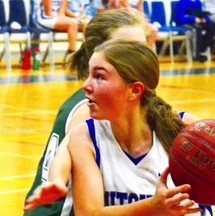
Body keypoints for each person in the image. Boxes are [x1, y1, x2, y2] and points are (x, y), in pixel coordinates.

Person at [24, 39, 215, 215]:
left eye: (99, 76)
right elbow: (90, 214)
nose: (86, 86)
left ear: (135, 90)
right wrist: (152, 209)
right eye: (88, 75)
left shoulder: (187, 131)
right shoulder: (86, 136)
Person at [23, 8, 150, 216]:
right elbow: (66, 149)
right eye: (127, 48)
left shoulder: (123, 98)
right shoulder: (90, 107)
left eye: (142, 47)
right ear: (97, 55)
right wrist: (56, 180)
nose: (139, 57)